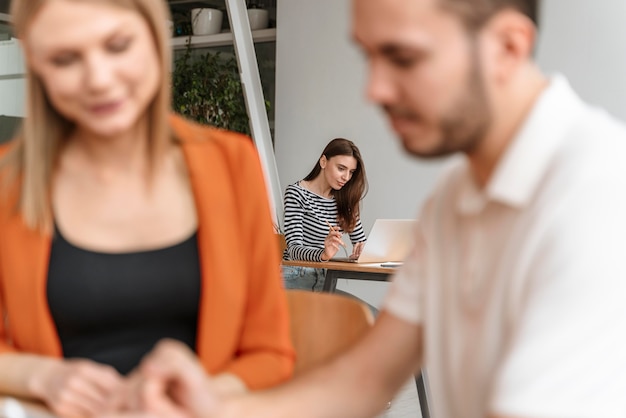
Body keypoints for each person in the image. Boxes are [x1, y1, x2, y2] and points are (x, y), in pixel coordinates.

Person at [103, 0, 626, 417]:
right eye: (368, 55)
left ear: (508, 46)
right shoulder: (456, 197)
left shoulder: (593, 192)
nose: (374, 88)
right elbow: (363, 381)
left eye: (403, 57)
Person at [0, 0, 294, 417]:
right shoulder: (8, 184)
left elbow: (270, 352)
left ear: (155, 38)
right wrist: (41, 376)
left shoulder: (232, 164)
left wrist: (198, 397)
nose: (99, 80)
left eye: (118, 46)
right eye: (65, 59)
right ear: (38, 68)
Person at [281, 138, 367, 292]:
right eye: (341, 168)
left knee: (370, 315)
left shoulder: (344, 200)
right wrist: (323, 254)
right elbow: (294, 249)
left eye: (351, 172)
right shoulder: (296, 193)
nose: (346, 177)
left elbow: (360, 241)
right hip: (294, 278)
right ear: (323, 162)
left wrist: (363, 249)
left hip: (324, 280)